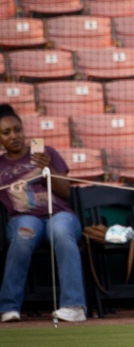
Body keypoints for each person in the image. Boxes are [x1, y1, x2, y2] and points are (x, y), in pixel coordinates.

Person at [0, 104, 86, 324]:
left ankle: (74, 305)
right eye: (6, 132)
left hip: (59, 214)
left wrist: (49, 168)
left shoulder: (45, 152)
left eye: (17, 130)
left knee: (61, 230)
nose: (14, 136)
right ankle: (9, 307)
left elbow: (65, 192)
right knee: (23, 235)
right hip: (23, 218)